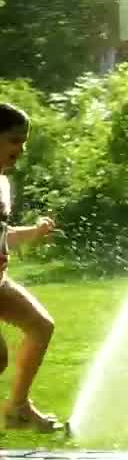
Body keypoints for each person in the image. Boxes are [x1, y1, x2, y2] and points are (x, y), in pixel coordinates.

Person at [0, 102, 62, 432]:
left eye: (24, 141)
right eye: (14, 140)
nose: (20, 149)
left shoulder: (2, 183)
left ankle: (18, 408)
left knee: (41, 326)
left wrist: (33, 233)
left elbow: (2, 235)